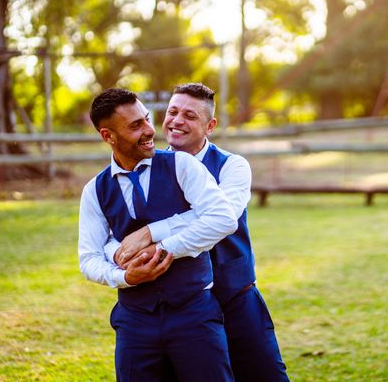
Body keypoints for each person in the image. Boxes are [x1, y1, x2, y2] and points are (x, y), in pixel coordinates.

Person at [107, 83, 290, 382]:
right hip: (179, 308)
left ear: (210, 125)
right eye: (172, 112)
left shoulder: (233, 167)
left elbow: (222, 218)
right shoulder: (146, 169)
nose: (177, 121)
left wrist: (153, 233)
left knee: (265, 375)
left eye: (190, 115)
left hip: (235, 299)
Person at [78, 88, 238, 382]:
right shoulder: (94, 191)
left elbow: (223, 219)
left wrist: (163, 248)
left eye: (147, 119)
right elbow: (88, 258)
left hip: (194, 314)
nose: (150, 130)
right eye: (135, 125)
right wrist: (125, 277)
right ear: (108, 136)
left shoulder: (183, 165)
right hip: (134, 322)